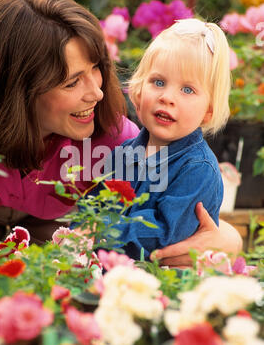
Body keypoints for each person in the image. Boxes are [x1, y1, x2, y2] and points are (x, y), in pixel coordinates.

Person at [0, 0, 242, 265]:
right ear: (17, 88)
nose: (96, 93)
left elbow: (183, 221)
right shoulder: (129, 153)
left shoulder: (113, 138)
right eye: (72, 82)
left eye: (95, 68)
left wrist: (230, 240)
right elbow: (96, 206)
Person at [99, 19, 233, 260]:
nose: (167, 97)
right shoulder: (122, 154)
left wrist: (100, 231)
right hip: (114, 273)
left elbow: (161, 234)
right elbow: (94, 207)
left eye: (187, 90)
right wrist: (79, 235)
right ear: (139, 91)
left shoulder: (197, 170)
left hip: (170, 282)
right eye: (158, 82)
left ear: (208, 111)